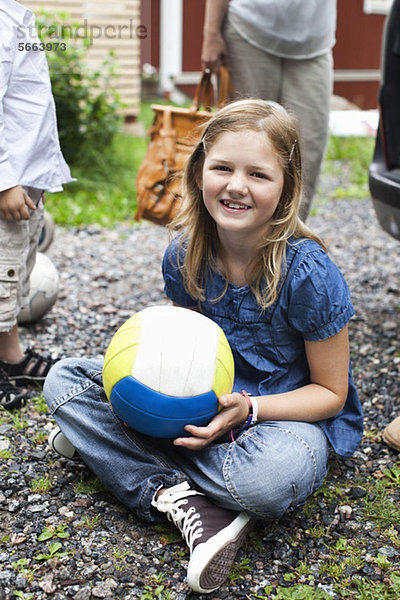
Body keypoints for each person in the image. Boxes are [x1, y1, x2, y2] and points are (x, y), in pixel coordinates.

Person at [43, 99, 363, 594]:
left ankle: (114, 450)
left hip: (279, 418)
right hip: (200, 405)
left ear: (286, 188)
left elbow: (330, 394)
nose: (237, 186)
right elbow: (185, 352)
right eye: (222, 168)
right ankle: (188, 499)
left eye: (258, 174)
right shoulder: (184, 255)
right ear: (198, 173)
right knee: (65, 380)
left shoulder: (309, 274)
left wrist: (250, 409)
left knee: (272, 481)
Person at [0, 0, 73, 409]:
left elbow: (29, 107)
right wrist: (4, 181)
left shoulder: (16, 16)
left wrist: (40, 175)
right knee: (2, 277)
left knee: (13, 279)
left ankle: (10, 356)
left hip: (27, 181)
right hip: (8, 186)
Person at [201, 0, 336, 221]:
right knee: (241, 144)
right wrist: (211, 32)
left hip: (314, 41)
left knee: (307, 155)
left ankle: (287, 245)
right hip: (248, 30)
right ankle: (233, 244)